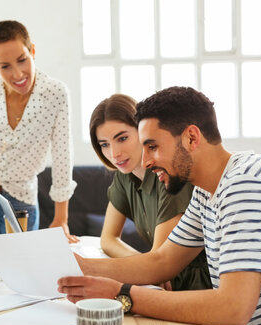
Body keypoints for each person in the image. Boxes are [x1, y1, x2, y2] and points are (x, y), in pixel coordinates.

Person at [58, 87, 261, 325]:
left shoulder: (245, 185)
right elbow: (162, 262)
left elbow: (235, 308)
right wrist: (78, 267)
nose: (147, 160)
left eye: (152, 146)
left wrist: (123, 295)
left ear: (191, 138)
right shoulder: (207, 189)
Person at [0, 20, 77, 241]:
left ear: (32, 51)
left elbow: (62, 155)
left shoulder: (56, 94)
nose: (18, 73)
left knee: (20, 273)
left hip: (22, 199)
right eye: (5, 66)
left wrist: (61, 218)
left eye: (22, 60)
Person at [89, 94, 210, 291]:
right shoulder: (124, 177)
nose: (114, 153)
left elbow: (158, 263)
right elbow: (108, 239)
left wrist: (148, 269)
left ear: (142, 130)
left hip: (199, 288)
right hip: (162, 283)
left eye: (122, 138)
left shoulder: (169, 173)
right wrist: (143, 265)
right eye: (104, 144)